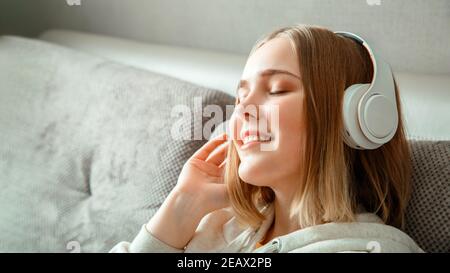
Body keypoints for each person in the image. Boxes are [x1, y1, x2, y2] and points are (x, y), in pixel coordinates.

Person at [110, 24, 423, 253]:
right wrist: (182, 205)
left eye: (277, 90)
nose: (243, 108)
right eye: (242, 94)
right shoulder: (220, 224)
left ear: (352, 118)